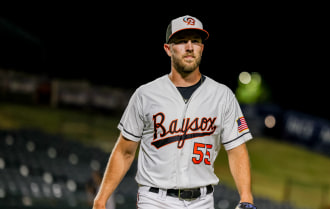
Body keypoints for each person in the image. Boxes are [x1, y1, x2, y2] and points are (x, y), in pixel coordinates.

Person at [93, 15, 257, 209]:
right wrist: (101, 199)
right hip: (155, 199)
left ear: (202, 48)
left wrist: (246, 197)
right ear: (168, 49)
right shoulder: (146, 95)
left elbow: (237, 150)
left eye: (195, 41)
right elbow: (124, 151)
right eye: (181, 41)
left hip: (203, 201)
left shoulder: (223, 96)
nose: (189, 47)